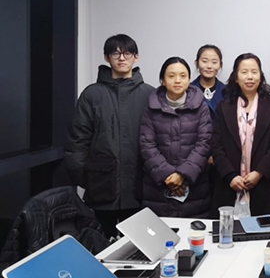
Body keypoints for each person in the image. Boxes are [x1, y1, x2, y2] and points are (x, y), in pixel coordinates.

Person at [65, 34, 154, 238]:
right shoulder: (91, 94)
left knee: (139, 247)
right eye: (115, 53)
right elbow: (77, 142)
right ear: (106, 57)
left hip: (140, 186)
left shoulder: (149, 94)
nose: (121, 58)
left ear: (136, 57)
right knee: (100, 245)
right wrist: (87, 179)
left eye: (127, 53)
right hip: (101, 188)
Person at [210, 53, 270, 219]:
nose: (250, 77)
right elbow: (216, 145)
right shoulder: (224, 106)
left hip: (264, 183)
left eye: (254, 72)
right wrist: (230, 176)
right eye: (244, 72)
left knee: (263, 231)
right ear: (236, 77)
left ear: (260, 76)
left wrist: (259, 173)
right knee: (229, 229)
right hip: (229, 184)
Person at [140, 57, 212, 217]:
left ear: (189, 79)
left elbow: (204, 143)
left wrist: (183, 175)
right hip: (158, 187)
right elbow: (147, 145)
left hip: (195, 187)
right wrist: (167, 174)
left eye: (183, 76)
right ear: (163, 80)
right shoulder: (151, 108)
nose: (177, 80)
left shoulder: (201, 107)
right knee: (158, 229)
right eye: (171, 76)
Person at [190, 44, 225, 121]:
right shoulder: (188, 90)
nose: (209, 66)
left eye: (214, 62)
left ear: (220, 65)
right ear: (196, 63)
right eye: (204, 61)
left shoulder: (227, 92)